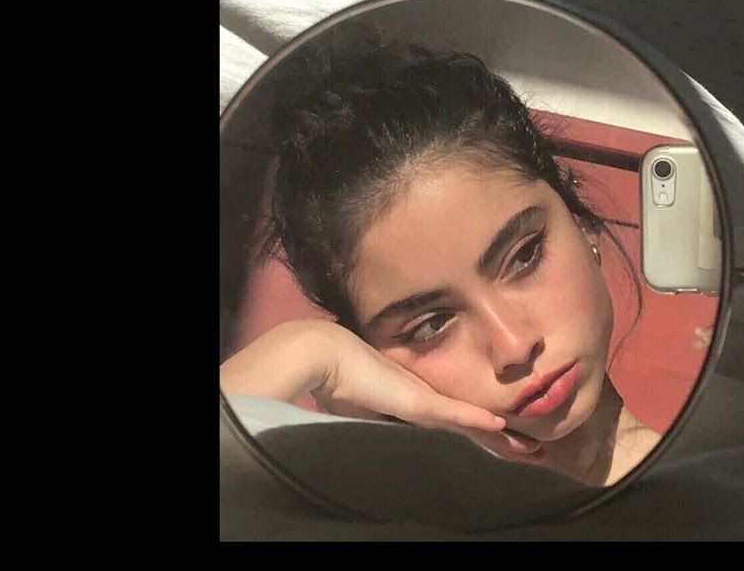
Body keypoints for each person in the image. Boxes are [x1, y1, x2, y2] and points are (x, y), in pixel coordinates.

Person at [219, 24, 661, 487]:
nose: (513, 346)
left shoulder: (708, 497)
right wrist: (307, 351)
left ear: (580, 219)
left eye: (524, 257)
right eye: (430, 325)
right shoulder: (342, 509)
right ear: (366, 353)